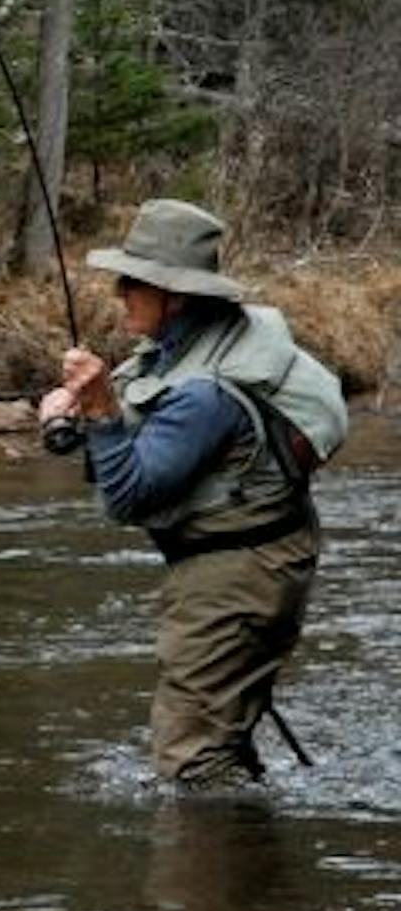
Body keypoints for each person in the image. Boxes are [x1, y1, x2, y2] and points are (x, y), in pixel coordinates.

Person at [39, 198, 331, 790]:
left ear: (176, 296)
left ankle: (203, 876)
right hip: (256, 560)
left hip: (237, 577)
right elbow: (134, 429)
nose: (120, 291)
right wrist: (83, 415)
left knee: (192, 762)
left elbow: (130, 498)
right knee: (221, 741)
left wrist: (100, 416)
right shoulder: (191, 346)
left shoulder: (206, 393)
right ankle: (253, 868)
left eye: (134, 282)